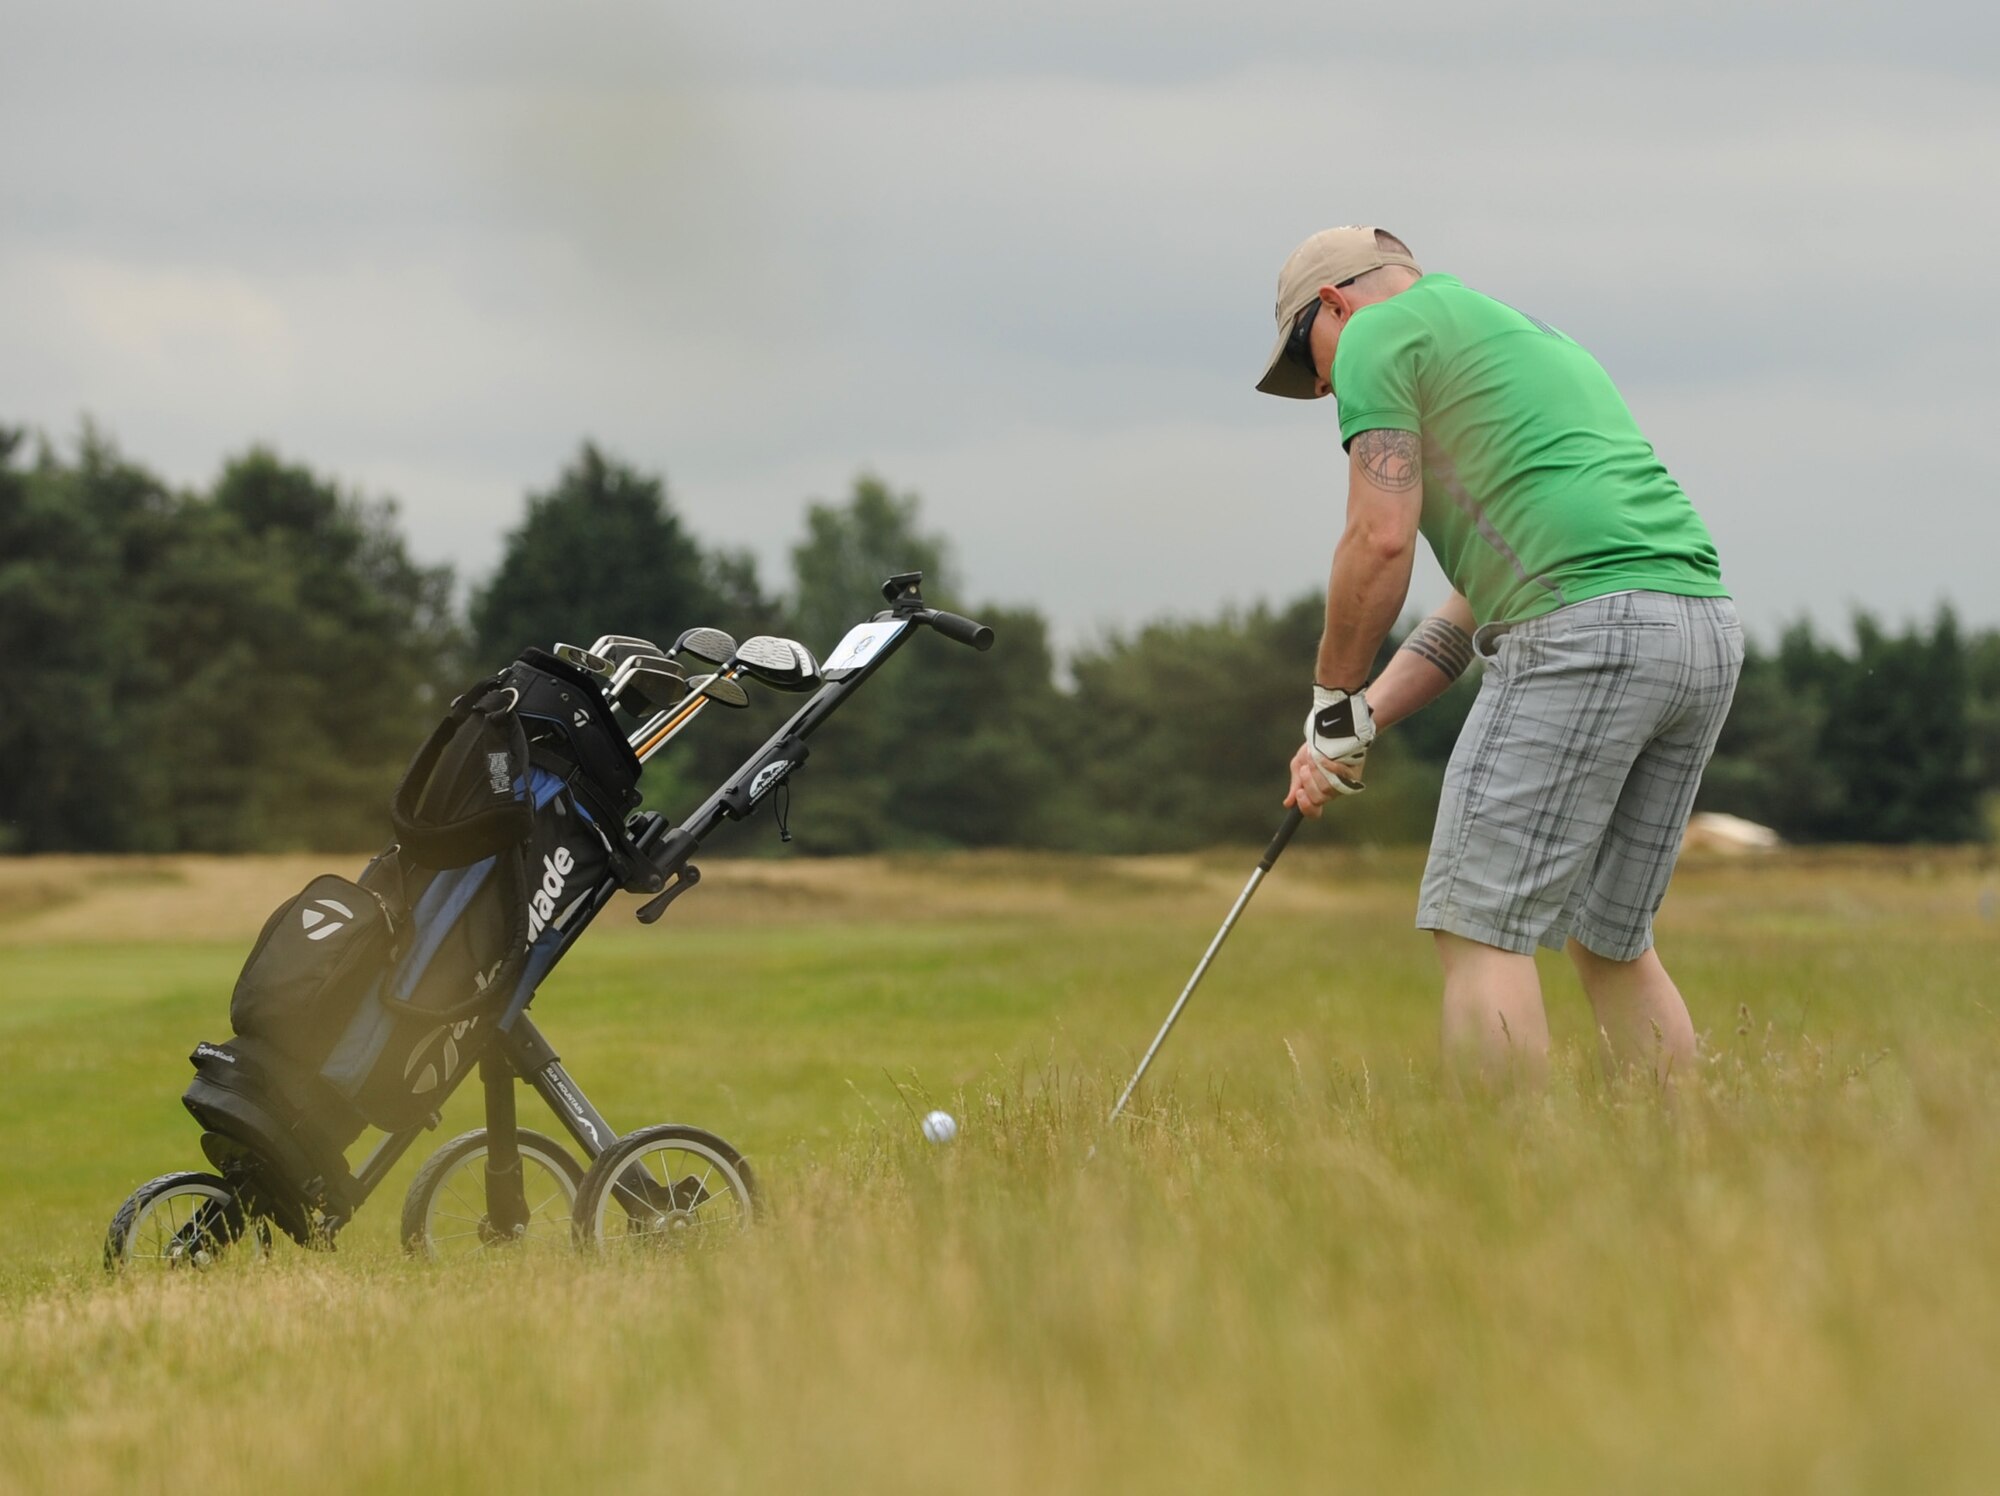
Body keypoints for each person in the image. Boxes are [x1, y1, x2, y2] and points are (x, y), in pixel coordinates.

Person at [1254, 225, 1742, 1084]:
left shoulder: (1375, 332)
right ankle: (1685, 1173)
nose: (1325, 382)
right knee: (1610, 938)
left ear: (1334, 304)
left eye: (1308, 357)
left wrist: (1329, 691)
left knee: (1478, 925)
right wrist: (1360, 719)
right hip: (1697, 628)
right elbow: (1472, 609)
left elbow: (1377, 541)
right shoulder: (1526, 339)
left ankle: (1508, 1187)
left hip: (1586, 627)